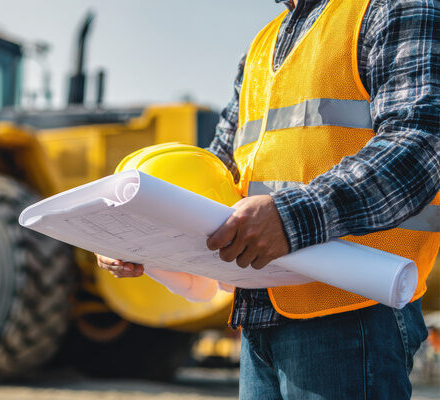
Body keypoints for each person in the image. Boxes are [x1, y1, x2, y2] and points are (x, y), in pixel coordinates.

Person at [97, 0, 439, 398]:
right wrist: (141, 235)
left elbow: (421, 144)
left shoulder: (393, 7)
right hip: (259, 309)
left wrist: (291, 218)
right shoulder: (262, 45)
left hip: (355, 310)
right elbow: (220, 172)